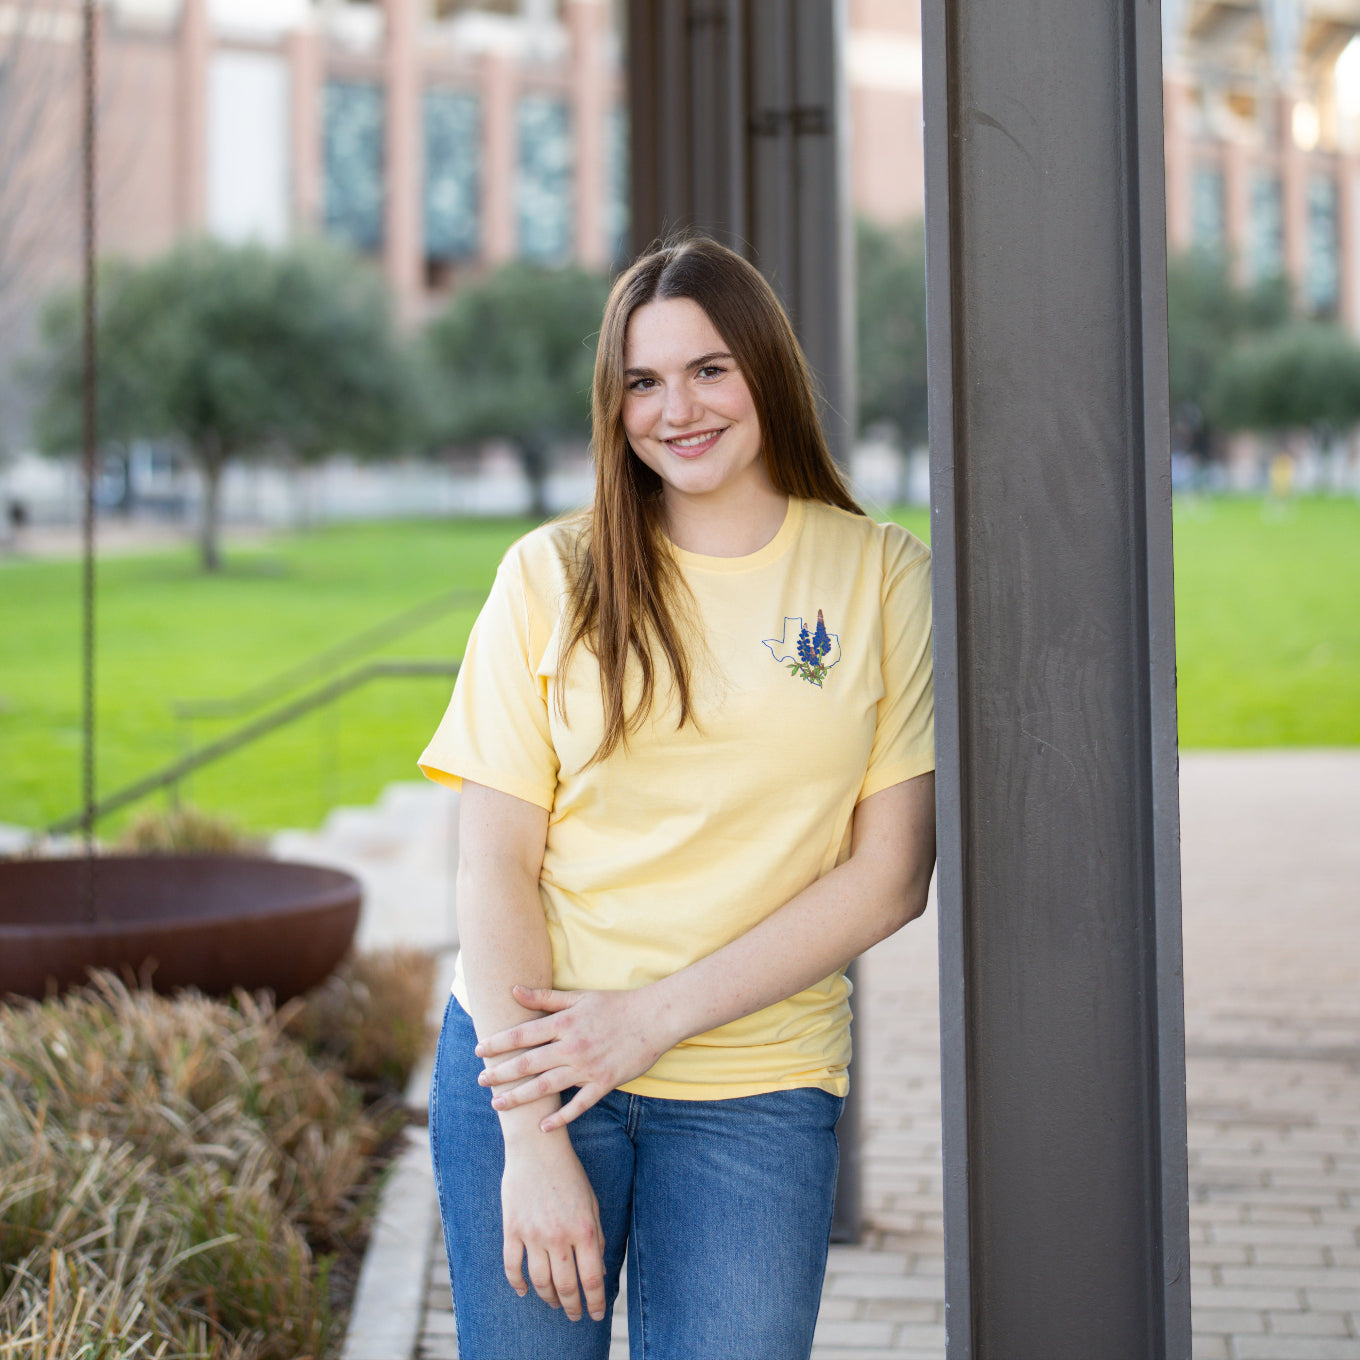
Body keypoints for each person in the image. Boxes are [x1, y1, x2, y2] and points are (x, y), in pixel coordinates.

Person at [418, 235, 936, 1360]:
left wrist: (644, 1023)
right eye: (643, 381)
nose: (677, 409)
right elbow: (494, 863)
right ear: (615, 406)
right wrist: (530, 1137)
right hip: (535, 1069)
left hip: (759, 1085)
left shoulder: (880, 574)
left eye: (709, 368)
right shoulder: (549, 577)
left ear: (767, 370)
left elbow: (890, 875)